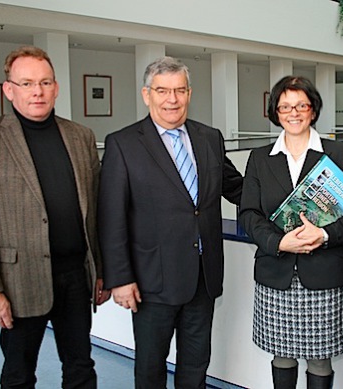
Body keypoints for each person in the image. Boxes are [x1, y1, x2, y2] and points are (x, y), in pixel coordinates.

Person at [0, 46, 110, 388]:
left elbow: (97, 212)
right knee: (18, 374)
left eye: (44, 82)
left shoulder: (80, 136)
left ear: (56, 87)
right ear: (9, 90)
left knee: (81, 367)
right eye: (26, 83)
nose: (37, 91)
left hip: (75, 277)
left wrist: (101, 269)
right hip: (17, 282)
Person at [97, 56, 243, 388]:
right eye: (163, 91)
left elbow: (235, 188)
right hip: (152, 281)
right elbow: (111, 216)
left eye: (179, 90)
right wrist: (119, 278)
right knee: (150, 367)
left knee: (195, 364)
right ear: (146, 94)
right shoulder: (123, 144)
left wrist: (286, 201)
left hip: (203, 278)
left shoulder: (209, 138)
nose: (172, 100)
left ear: (189, 93)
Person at [239, 76, 343, 389]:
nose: (293, 113)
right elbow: (249, 214)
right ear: (276, 112)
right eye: (285, 107)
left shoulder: (337, 152)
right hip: (275, 270)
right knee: (281, 355)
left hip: (324, 273)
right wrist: (279, 241)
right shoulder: (259, 158)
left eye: (300, 105)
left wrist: (323, 235)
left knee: (320, 358)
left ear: (313, 110)